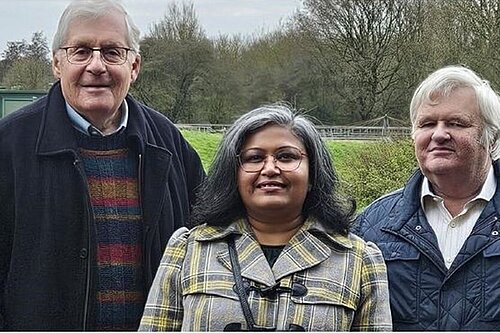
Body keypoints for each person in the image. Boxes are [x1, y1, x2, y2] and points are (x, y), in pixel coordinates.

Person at [0, 0, 205, 330]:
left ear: (134, 66)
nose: (96, 65)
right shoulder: (9, 146)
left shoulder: (168, 144)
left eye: (112, 52)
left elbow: (212, 239)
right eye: (80, 51)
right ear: (57, 63)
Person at [139, 104, 392, 331]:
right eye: (254, 158)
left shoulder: (360, 260)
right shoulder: (187, 250)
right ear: (233, 175)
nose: (270, 168)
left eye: (286, 156)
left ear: (313, 173)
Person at [355, 65, 500, 330]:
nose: (439, 134)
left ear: (491, 138)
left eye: (457, 123)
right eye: (427, 124)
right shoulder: (370, 228)